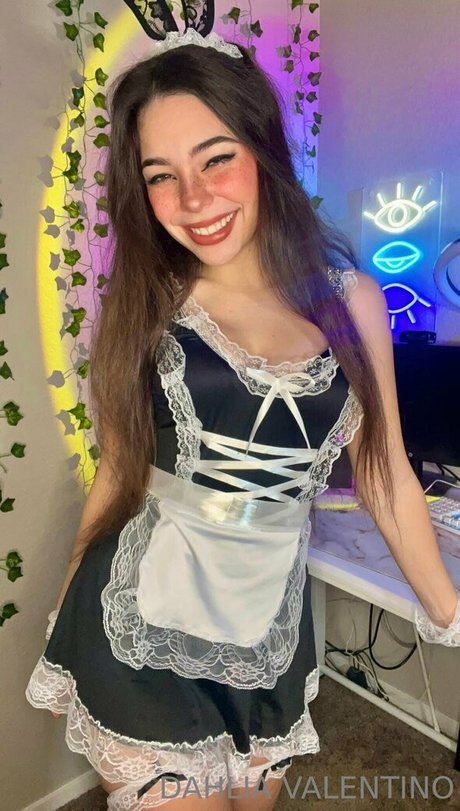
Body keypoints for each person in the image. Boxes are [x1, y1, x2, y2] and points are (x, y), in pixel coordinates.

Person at [26, 27, 460, 811]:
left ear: (262, 150)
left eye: (215, 158)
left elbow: (385, 471)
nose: (193, 200)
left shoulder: (353, 302)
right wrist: (65, 613)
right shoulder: (145, 304)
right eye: (161, 176)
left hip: (268, 632)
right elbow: (121, 471)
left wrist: (449, 612)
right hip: (137, 625)